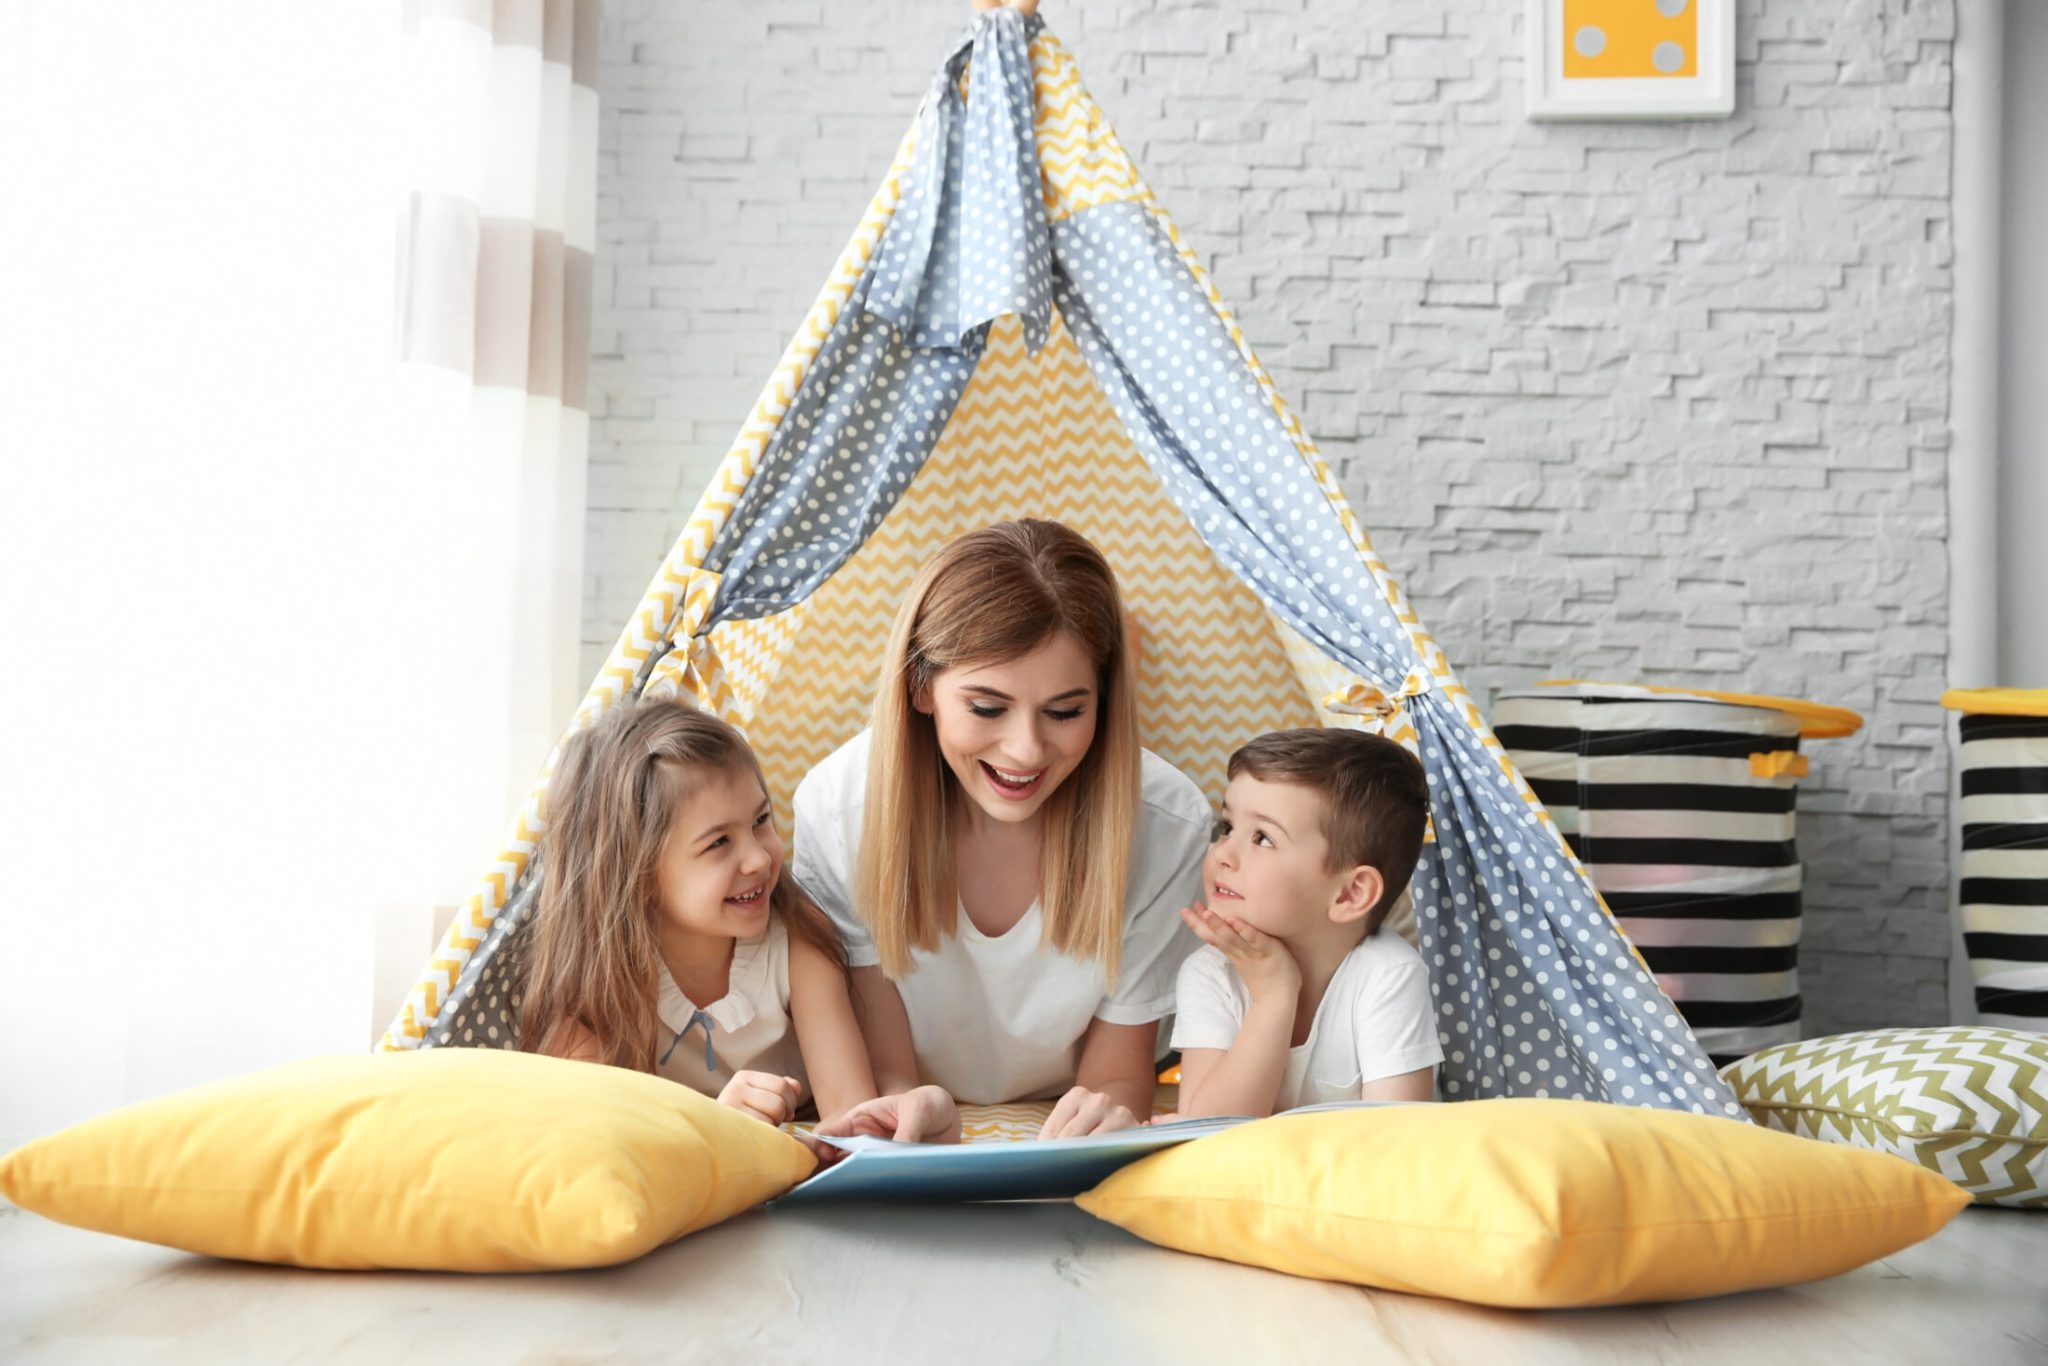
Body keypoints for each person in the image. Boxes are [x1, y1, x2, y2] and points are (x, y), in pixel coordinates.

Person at [796, 520, 1210, 1140]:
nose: (1025, 750)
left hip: (1061, 1116)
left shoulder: (1167, 824)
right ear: (920, 687)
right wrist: (916, 1125)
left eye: (1066, 711)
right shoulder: (838, 811)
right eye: (987, 708)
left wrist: (1091, 1133)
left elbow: (1116, 1076)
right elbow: (882, 1075)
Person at [519, 696, 960, 1141]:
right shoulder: (597, 986)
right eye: (718, 844)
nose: (757, 858)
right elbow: (586, 1136)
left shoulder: (798, 941)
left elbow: (852, 1124)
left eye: (761, 820)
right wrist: (713, 1126)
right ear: (637, 873)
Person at [1171, 728, 1442, 1117]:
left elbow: (1392, 1148)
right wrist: (1274, 995)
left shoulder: (1389, 976)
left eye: (1263, 838)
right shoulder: (1209, 974)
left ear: (1350, 894)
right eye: (1228, 827)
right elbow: (1204, 1133)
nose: (1223, 854)